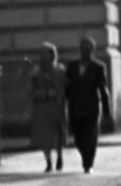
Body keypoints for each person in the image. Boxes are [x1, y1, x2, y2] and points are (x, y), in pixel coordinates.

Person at [63, 37, 113, 173]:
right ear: (80, 50)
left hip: (92, 107)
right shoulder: (72, 66)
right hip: (75, 107)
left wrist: (107, 111)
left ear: (92, 50)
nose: (85, 51)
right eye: (83, 48)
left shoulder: (98, 67)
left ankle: (88, 164)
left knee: (91, 137)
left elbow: (103, 89)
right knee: (78, 138)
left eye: (88, 48)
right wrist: (66, 100)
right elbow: (67, 86)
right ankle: (85, 157)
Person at [29, 43, 67, 172]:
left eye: (46, 54)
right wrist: (44, 93)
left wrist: (59, 94)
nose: (43, 57)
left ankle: (60, 157)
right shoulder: (36, 72)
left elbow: (65, 87)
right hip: (42, 108)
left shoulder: (60, 70)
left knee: (59, 135)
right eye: (42, 54)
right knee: (44, 136)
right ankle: (49, 161)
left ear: (53, 55)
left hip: (57, 107)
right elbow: (31, 91)